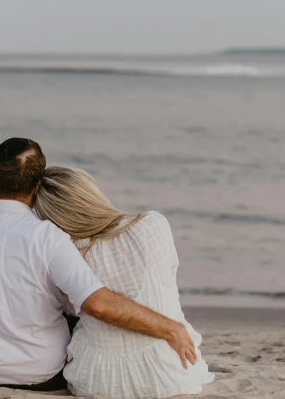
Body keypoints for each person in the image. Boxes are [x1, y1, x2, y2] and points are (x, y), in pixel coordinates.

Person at [0, 138, 197, 391]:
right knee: (68, 305)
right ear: (37, 185)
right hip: (42, 377)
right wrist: (171, 328)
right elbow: (99, 304)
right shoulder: (49, 236)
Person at [34, 165, 214, 399]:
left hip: (98, 381)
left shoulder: (66, 254)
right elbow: (167, 281)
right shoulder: (152, 225)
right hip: (172, 372)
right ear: (90, 192)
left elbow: (72, 309)